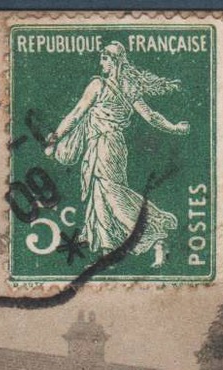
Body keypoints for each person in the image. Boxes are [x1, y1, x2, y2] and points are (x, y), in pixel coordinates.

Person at [45, 42, 191, 265]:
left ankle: (154, 232)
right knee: (102, 193)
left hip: (103, 145)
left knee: (111, 194)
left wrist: (54, 138)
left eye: (104, 59)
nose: (100, 63)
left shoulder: (98, 85)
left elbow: (75, 114)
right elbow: (151, 116)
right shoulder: (129, 87)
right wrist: (174, 128)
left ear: (113, 61)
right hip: (114, 146)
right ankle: (106, 248)